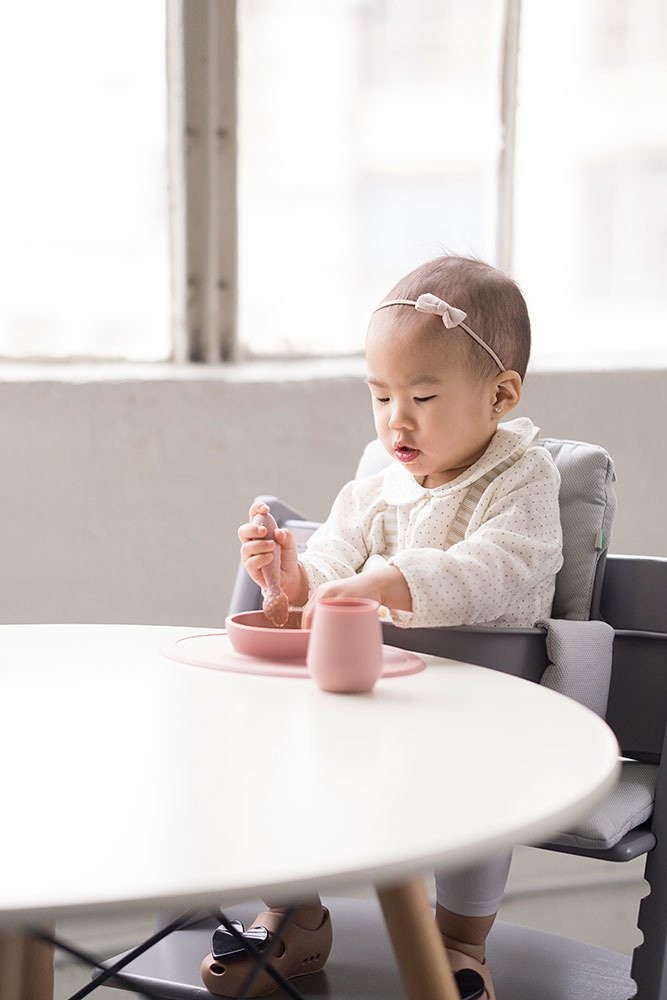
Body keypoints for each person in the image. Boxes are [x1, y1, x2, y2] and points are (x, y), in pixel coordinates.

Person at [222, 255, 563, 999]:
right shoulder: (375, 486)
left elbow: (506, 565)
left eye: (422, 396)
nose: (394, 421)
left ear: (500, 394)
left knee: (478, 792)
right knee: (284, 762)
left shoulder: (522, 478)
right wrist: (291, 576)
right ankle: (294, 914)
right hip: (376, 709)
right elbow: (334, 558)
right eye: (379, 397)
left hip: (480, 708)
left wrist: (397, 580)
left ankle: (458, 944)